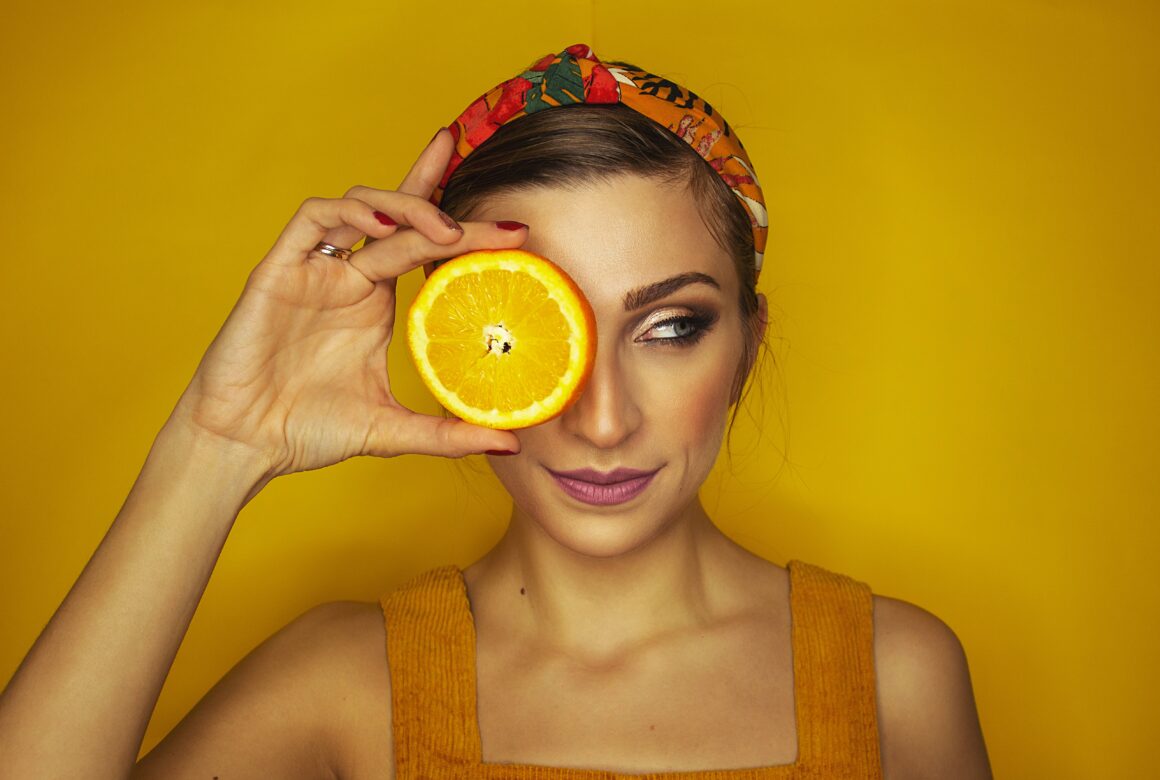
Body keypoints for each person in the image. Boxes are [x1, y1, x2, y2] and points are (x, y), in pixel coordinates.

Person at [0, 45, 993, 779]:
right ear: (459, 343)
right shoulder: (344, 686)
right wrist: (218, 445)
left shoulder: (892, 674)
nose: (601, 421)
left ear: (747, 346)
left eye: (670, 327)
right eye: (538, 328)